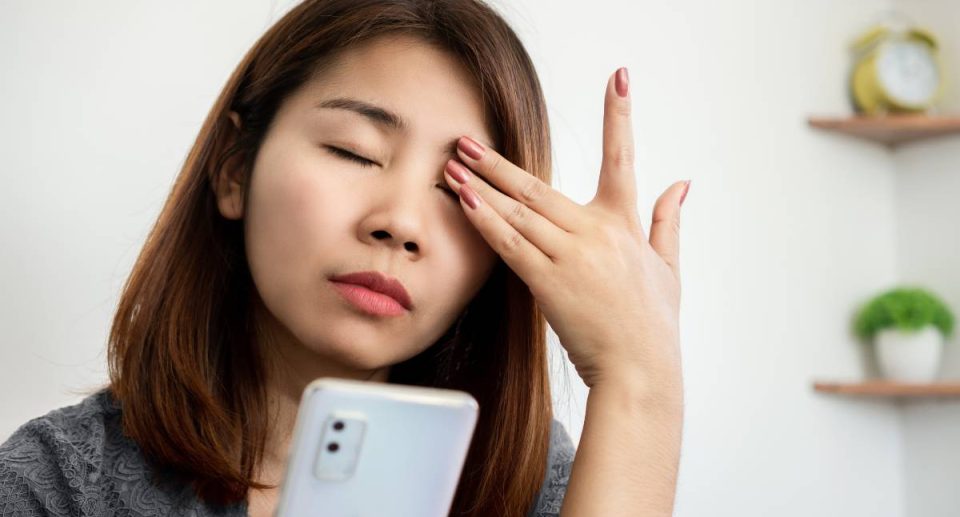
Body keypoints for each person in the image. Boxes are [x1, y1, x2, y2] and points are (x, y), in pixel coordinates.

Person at [0, 0, 688, 515]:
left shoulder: (537, 484)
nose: (399, 223)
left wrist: (640, 378)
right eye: (354, 152)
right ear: (235, 167)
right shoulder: (55, 485)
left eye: (458, 190)